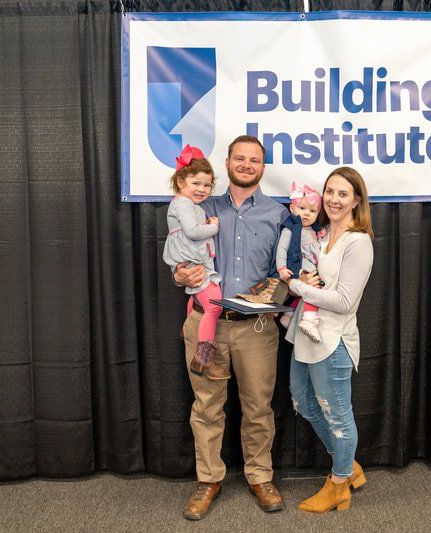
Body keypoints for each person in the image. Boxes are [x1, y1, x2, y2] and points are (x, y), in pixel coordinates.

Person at [173, 135, 288, 520]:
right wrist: (180, 274)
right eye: (239, 158)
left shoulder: (277, 214)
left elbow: (281, 269)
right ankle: (208, 479)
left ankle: (259, 475)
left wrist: (275, 296)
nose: (246, 164)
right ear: (226, 162)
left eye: (254, 160)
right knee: (207, 407)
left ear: (263, 167)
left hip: (256, 330)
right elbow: (179, 257)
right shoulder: (199, 206)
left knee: (258, 407)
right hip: (206, 326)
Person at [284, 167, 375, 513]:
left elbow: (344, 301)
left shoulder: (358, 241)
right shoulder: (321, 237)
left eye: (343, 194)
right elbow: (323, 283)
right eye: (330, 192)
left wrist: (298, 286)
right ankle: (349, 465)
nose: (334, 199)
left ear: (356, 201)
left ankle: (339, 484)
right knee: (304, 404)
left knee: (338, 416)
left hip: (333, 341)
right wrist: (310, 278)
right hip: (305, 335)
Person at [162, 145, 228, 381]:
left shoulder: (188, 204)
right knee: (213, 306)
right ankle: (204, 358)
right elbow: (192, 231)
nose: (202, 189)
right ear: (181, 182)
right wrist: (214, 226)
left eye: (207, 185)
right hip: (192, 261)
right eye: (196, 183)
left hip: (193, 259)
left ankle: (186, 328)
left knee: (196, 296)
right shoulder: (183, 204)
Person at [276, 181, 326, 342]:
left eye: (312, 211)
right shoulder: (290, 229)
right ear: (292, 208)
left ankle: (289, 314)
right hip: (300, 267)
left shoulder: (315, 230)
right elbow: (282, 249)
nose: (307, 214)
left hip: (314, 265)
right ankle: (309, 320)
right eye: (302, 208)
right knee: (314, 290)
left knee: (309, 291)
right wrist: (282, 268)